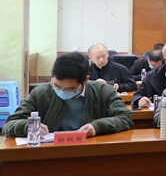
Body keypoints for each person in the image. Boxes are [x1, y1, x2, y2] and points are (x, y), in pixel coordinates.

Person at [2, 52, 133, 137]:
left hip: (90, 150)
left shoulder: (103, 91)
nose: (62, 91)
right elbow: (10, 124)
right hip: (51, 152)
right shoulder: (40, 93)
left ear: (85, 80)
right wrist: (27, 126)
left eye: (70, 89)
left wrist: (97, 126)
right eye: (57, 86)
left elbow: (125, 118)